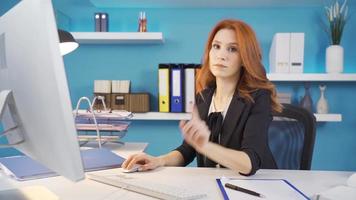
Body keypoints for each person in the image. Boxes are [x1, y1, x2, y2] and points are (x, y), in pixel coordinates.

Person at [122, 19, 282, 175]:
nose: (221, 56)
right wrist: (158, 160)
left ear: (244, 58)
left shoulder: (258, 97)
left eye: (232, 49)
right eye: (216, 46)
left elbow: (250, 163)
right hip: (215, 183)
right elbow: (187, 150)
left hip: (260, 185)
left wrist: (205, 146)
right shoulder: (203, 97)